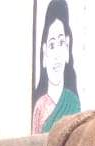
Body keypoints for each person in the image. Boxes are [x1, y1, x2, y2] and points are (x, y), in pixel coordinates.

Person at [32, 0, 81, 134]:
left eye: (61, 43)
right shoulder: (40, 107)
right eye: (52, 45)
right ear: (44, 52)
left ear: (67, 46)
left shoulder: (73, 103)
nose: (57, 55)